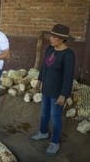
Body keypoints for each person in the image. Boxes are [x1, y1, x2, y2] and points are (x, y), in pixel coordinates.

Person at [30, 24, 75, 155]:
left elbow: (68, 77)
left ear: (62, 39)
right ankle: (43, 132)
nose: (51, 38)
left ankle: (55, 142)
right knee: (44, 113)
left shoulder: (68, 55)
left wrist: (64, 94)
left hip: (57, 92)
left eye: (55, 37)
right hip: (46, 89)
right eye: (51, 35)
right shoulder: (50, 49)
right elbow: (44, 66)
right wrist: (39, 80)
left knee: (55, 117)